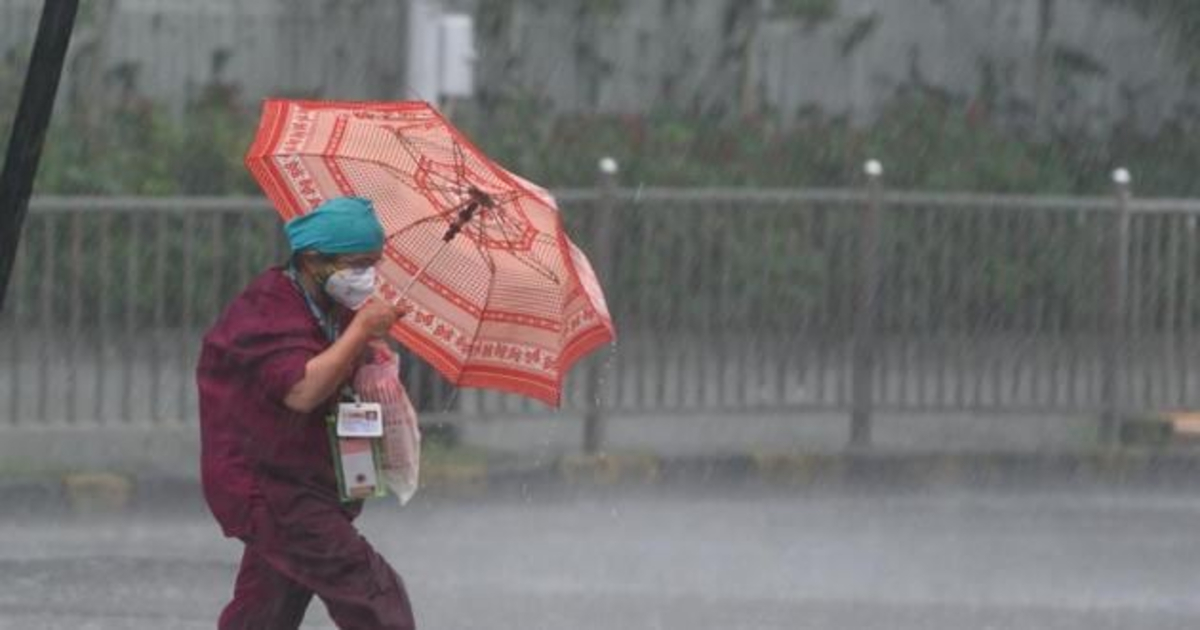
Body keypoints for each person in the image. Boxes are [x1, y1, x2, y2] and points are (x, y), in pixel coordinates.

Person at [197, 196, 416, 629]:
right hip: (270, 487)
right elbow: (302, 390)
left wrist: (365, 350)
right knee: (374, 595)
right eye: (357, 264)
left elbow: (330, 360)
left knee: (265, 610)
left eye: (374, 263)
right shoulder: (265, 311)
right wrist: (359, 333)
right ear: (313, 259)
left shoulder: (329, 308)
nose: (367, 277)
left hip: (307, 478)